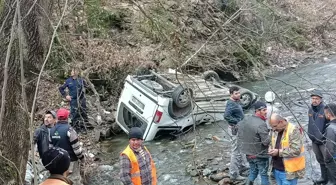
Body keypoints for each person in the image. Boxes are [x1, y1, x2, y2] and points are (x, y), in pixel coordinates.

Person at [238, 101, 271, 185]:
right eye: (264, 110)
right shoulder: (261, 124)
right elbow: (266, 142)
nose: (266, 112)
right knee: (264, 175)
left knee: (253, 172)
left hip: (248, 154)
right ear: (257, 111)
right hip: (260, 154)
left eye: (266, 109)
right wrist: (271, 135)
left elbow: (239, 135)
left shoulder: (245, 120)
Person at [49, 108, 85, 183]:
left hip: (57, 163)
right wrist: (82, 158)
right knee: (73, 180)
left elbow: (50, 149)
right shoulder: (70, 130)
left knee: (60, 181)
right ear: (67, 117)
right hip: (70, 162)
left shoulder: (51, 131)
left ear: (57, 118)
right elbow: (77, 149)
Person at [269, 113, 305, 185]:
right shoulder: (275, 130)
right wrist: (270, 148)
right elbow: (271, 143)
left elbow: (296, 150)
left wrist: (279, 152)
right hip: (276, 169)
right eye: (272, 127)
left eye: (275, 126)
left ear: (281, 122)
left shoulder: (293, 130)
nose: (273, 129)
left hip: (288, 171)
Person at [224, 86, 248, 180]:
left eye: (239, 93)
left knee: (241, 147)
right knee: (236, 151)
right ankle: (233, 174)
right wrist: (236, 122)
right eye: (236, 93)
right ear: (231, 94)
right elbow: (226, 116)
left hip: (239, 128)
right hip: (235, 129)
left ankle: (242, 165)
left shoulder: (236, 101)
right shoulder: (231, 104)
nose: (238, 95)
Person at [307, 90, 329, 184]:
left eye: (316, 98)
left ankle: (331, 180)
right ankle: (324, 177)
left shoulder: (325, 109)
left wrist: (324, 137)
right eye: (313, 98)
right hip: (314, 140)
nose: (314, 100)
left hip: (324, 141)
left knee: (328, 160)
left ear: (321, 99)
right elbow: (310, 123)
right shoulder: (310, 109)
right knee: (320, 160)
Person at [59, 67, 90, 132]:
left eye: (73, 71)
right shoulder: (68, 81)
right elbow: (61, 88)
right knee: (74, 114)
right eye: (72, 71)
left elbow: (88, 87)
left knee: (83, 113)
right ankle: (76, 129)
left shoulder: (81, 80)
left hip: (81, 99)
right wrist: (66, 95)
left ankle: (85, 128)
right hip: (73, 100)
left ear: (77, 72)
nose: (71, 72)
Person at [323, 103, 336, 185]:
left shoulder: (331, 128)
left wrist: (327, 160)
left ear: (328, 114)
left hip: (334, 160)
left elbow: (329, 149)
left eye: (325, 113)